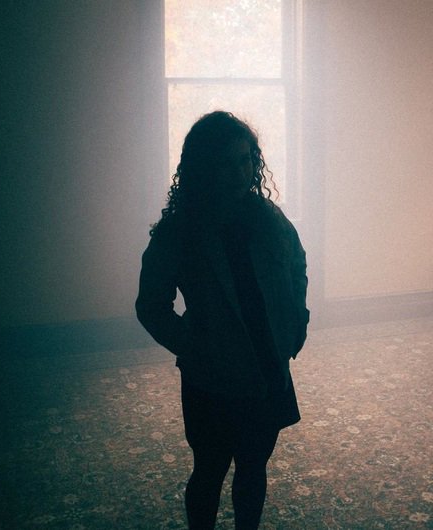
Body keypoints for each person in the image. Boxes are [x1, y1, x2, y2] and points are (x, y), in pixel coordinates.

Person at [135, 111, 309, 529]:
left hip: (267, 367)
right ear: (202, 168)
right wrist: (196, 346)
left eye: (245, 160)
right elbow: (151, 305)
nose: (240, 172)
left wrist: (296, 322)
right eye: (225, 163)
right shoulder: (180, 231)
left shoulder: (268, 218)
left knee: (254, 466)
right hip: (212, 379)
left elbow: (297, 265)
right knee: (210, 470)